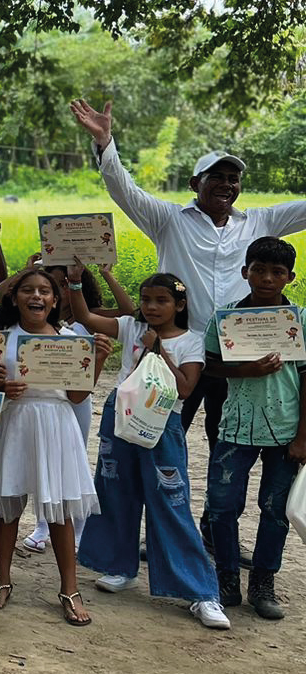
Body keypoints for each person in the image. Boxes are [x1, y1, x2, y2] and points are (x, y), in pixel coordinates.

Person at [70, 99, 306, 525]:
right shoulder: (168, 219)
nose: (226, 185)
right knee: (153, 435)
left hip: (235, 359)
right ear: (197, 181)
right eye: (217, 177)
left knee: (225, 449)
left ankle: (215, 533)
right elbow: (125, 190)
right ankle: (148, 532)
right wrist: (105, 142)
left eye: (233, 179)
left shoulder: (258, 222)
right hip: (176, 352)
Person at [66, 268, 230, 629]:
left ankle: (201, 592)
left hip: (162, 422)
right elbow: (84, 316)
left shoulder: (191, 340)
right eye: (146, 300)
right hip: (121, 415)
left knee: (170, 501)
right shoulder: (132, 328)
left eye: (162, 300)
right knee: (115, 491)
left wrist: (160, 352)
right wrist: (76, 282)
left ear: (180, 304)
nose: (152, 307)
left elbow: (186, 389)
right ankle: (119, 566)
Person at [0, 269, 112, 625]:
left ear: (56, 299)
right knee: (8, 506)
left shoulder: (70, 339)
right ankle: (2, 579)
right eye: (27, 290)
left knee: (60, 509)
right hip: (15, 422)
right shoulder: (1, 338)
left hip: (56, 425)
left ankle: (70, 588)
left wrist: (97, 359)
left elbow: (77, 395)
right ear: (14, 296)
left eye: (44, 291)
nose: (36, 297)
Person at [201, 237, 305, 621]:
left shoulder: (299, 320)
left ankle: (263, 581)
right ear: (245, 272)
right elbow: (210, 366)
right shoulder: (226, 319)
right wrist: (245, 370)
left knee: (275, 508)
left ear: (289, 277)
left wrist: (303, 436)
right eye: (258, 269)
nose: (266, 278)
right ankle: (226, 577)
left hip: (285, 430)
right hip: (235, 427)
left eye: (277, 272)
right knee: (223, 505)